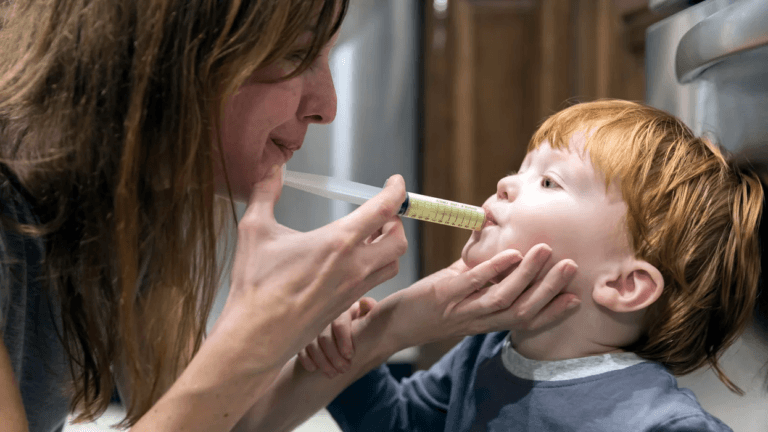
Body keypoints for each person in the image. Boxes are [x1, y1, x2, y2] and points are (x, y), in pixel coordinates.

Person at [0, 1, 579, 431]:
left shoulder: (130, 210)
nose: (327, 106)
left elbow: (226, 421)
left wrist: (400, 323)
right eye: (295, 55)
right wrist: (261, 329)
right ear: (164, 54)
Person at [238, 99, 764, 432]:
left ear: (625, 284)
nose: (506, 183)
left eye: (549, 181)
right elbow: (400, 422)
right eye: (522, 168)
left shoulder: (660, 424)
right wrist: (351, 354)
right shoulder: (486, 351)